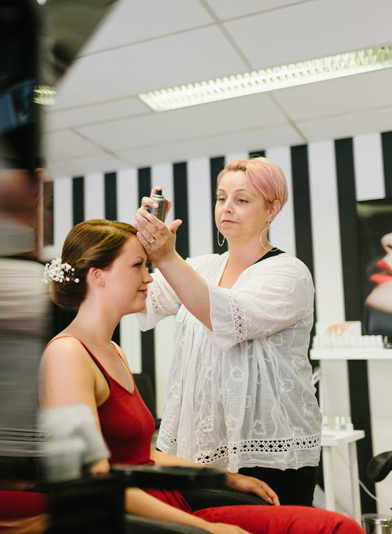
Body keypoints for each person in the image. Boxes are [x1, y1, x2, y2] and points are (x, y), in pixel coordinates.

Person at [39, 218, 362, 534]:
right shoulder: (67, 355)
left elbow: (142, 454)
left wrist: (227, 478)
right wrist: (206, 527)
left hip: (168, 500)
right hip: (139, 514)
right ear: (99, 276)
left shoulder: (112, 350)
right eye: (137, 265)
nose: (149, 278)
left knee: (333, 525)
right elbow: (86, 480)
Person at [132, 157, 322, 507]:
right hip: (199, 452)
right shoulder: (200, 266)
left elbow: (228, 317)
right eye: (221, 198)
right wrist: (139, 247)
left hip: (269, 457)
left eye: (242, 199)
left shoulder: (289, 274)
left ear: (272, 209)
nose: (227, 208)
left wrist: (167, 258)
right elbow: (139, 296)